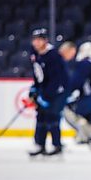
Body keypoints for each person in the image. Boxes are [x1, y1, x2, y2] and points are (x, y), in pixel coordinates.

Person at [28, 28, 69, 157]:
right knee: (41, 117)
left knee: (52, 117)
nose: (36, 42)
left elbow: (56, 78)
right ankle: (40, 144)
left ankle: (57, 145)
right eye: (34, 40)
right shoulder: (35, 53)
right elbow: (38, 73)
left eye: (39, 40)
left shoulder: (53, 55)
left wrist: (47, 95)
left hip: (57, 91)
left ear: (45, 41)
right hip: (44, 89)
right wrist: (35, 88)